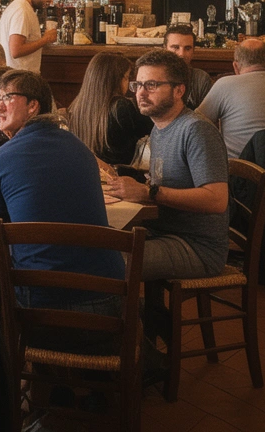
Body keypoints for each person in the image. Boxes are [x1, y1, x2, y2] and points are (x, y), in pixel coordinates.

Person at [0, 69, 126, 351]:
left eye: (6, 98)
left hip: (41, 315)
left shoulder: (2, 158)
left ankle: (12, 380)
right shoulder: (82, 150)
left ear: (33, 105)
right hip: (108, 308)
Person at [105, 50, 230, 284]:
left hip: (196, 247)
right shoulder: (159, 128)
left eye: (151, 85)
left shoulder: (195, 130)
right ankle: (135, 317)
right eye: (137, 84)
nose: (140, 93)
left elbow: (217, 200)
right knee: (91, 247)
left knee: (107, 263)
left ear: (179, 90)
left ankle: (131, 319)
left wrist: (148, 192)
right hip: (160, 232)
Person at [66, 52, 154, 166]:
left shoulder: (77, 106)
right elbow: (152, 129)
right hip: (119, 176)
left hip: (90, 173)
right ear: (116, 80)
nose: (128, 84)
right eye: (127, 78)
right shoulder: (121, 106)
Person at [0, 0, 63, 72]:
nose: (52, 0)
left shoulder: (21, 6)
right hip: (17, 80)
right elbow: (16, 50)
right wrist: (45, 39)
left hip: (14, 78)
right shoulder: (22, 10)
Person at [163, 24, 214, 108]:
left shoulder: (201, 79)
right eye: (176, 47)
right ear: (165, 49)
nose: (181, 54)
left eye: (187, 48)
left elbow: (207, 119)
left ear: (193, 51)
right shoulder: (153, 77)